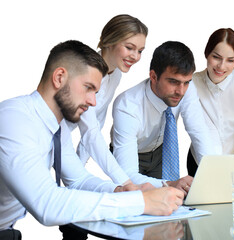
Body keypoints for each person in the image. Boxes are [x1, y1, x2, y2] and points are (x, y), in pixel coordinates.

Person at [0, 40, 184, 239]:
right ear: (59, 77)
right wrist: (142, 203)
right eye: (88, 88)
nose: (93, 101)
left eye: (96, 92)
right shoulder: (14, 119)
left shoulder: (56, 128)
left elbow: (79, 179)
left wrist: (122, 190)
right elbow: (46, 204)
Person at [112, 41, 215, 194]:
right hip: (132, 152)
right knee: (136, 200)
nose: (180, 91)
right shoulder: (127, 106)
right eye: (173, 82)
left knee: (167, 203)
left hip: (161, 152)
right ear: (153, 76)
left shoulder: (186, 88)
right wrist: (170, 184)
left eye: (186, 82)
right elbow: (128, 174)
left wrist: (215, 176)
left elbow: (199, 132)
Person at [65, 14, 152, 190]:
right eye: (129, 48)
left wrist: (78, 172)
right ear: (109, 41)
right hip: (42, 139)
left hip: (60, 142)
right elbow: (90, 133)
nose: (135, 56)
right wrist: (125, 181)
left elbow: (95, 124)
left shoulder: (115, 74)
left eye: (140, 51)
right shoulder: (87, 72)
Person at [186, 28, 234, 176]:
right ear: (207, 54)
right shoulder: (191, 84)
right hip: (202, 162)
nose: (221, 66)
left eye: (230, 60)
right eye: (216, 57)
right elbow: (198, 131)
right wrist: (215, 170)